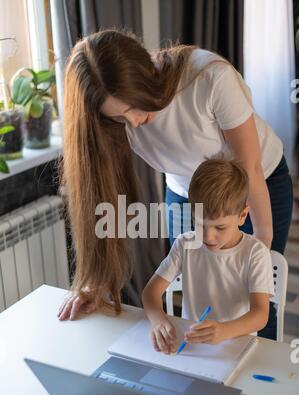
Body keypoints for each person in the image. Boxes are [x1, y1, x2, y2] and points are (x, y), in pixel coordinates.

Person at [58, 29, 292, 340]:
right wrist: (96, 280)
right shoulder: (112, 119)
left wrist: (262, 249)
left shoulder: (209, 77)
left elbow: (249, 167)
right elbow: (105, 198)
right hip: (186, 191)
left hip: (254, 181)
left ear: (145, 76)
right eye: (120, 116)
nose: (134, 121)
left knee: (254, 295)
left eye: (134, 105)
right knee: (197, 284)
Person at [142, 158, 275, 354]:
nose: (207, 236)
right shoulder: (185, 244)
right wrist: (158, 321)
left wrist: (225, 330)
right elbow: (150, 293)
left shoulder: (255, 254)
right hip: (192, 349)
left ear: (242, 216)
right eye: (200, 224)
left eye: (220, 227)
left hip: (237, 348)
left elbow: (260, 315)